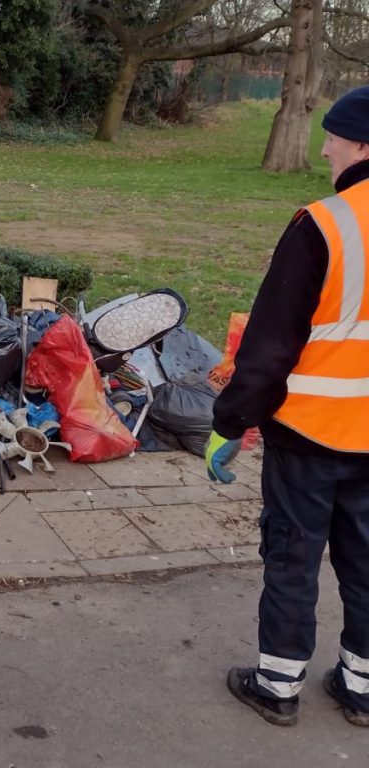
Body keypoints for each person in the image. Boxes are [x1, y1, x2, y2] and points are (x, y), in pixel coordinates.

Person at [205, 85, 369, 727]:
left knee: (294, 553)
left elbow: (271, 346)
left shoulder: (324, 224)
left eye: (332, 135)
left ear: (360, 144)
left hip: (310, 434)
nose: (324, 147)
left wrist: (230, 423)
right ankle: (360, 687)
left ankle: (277, 685)